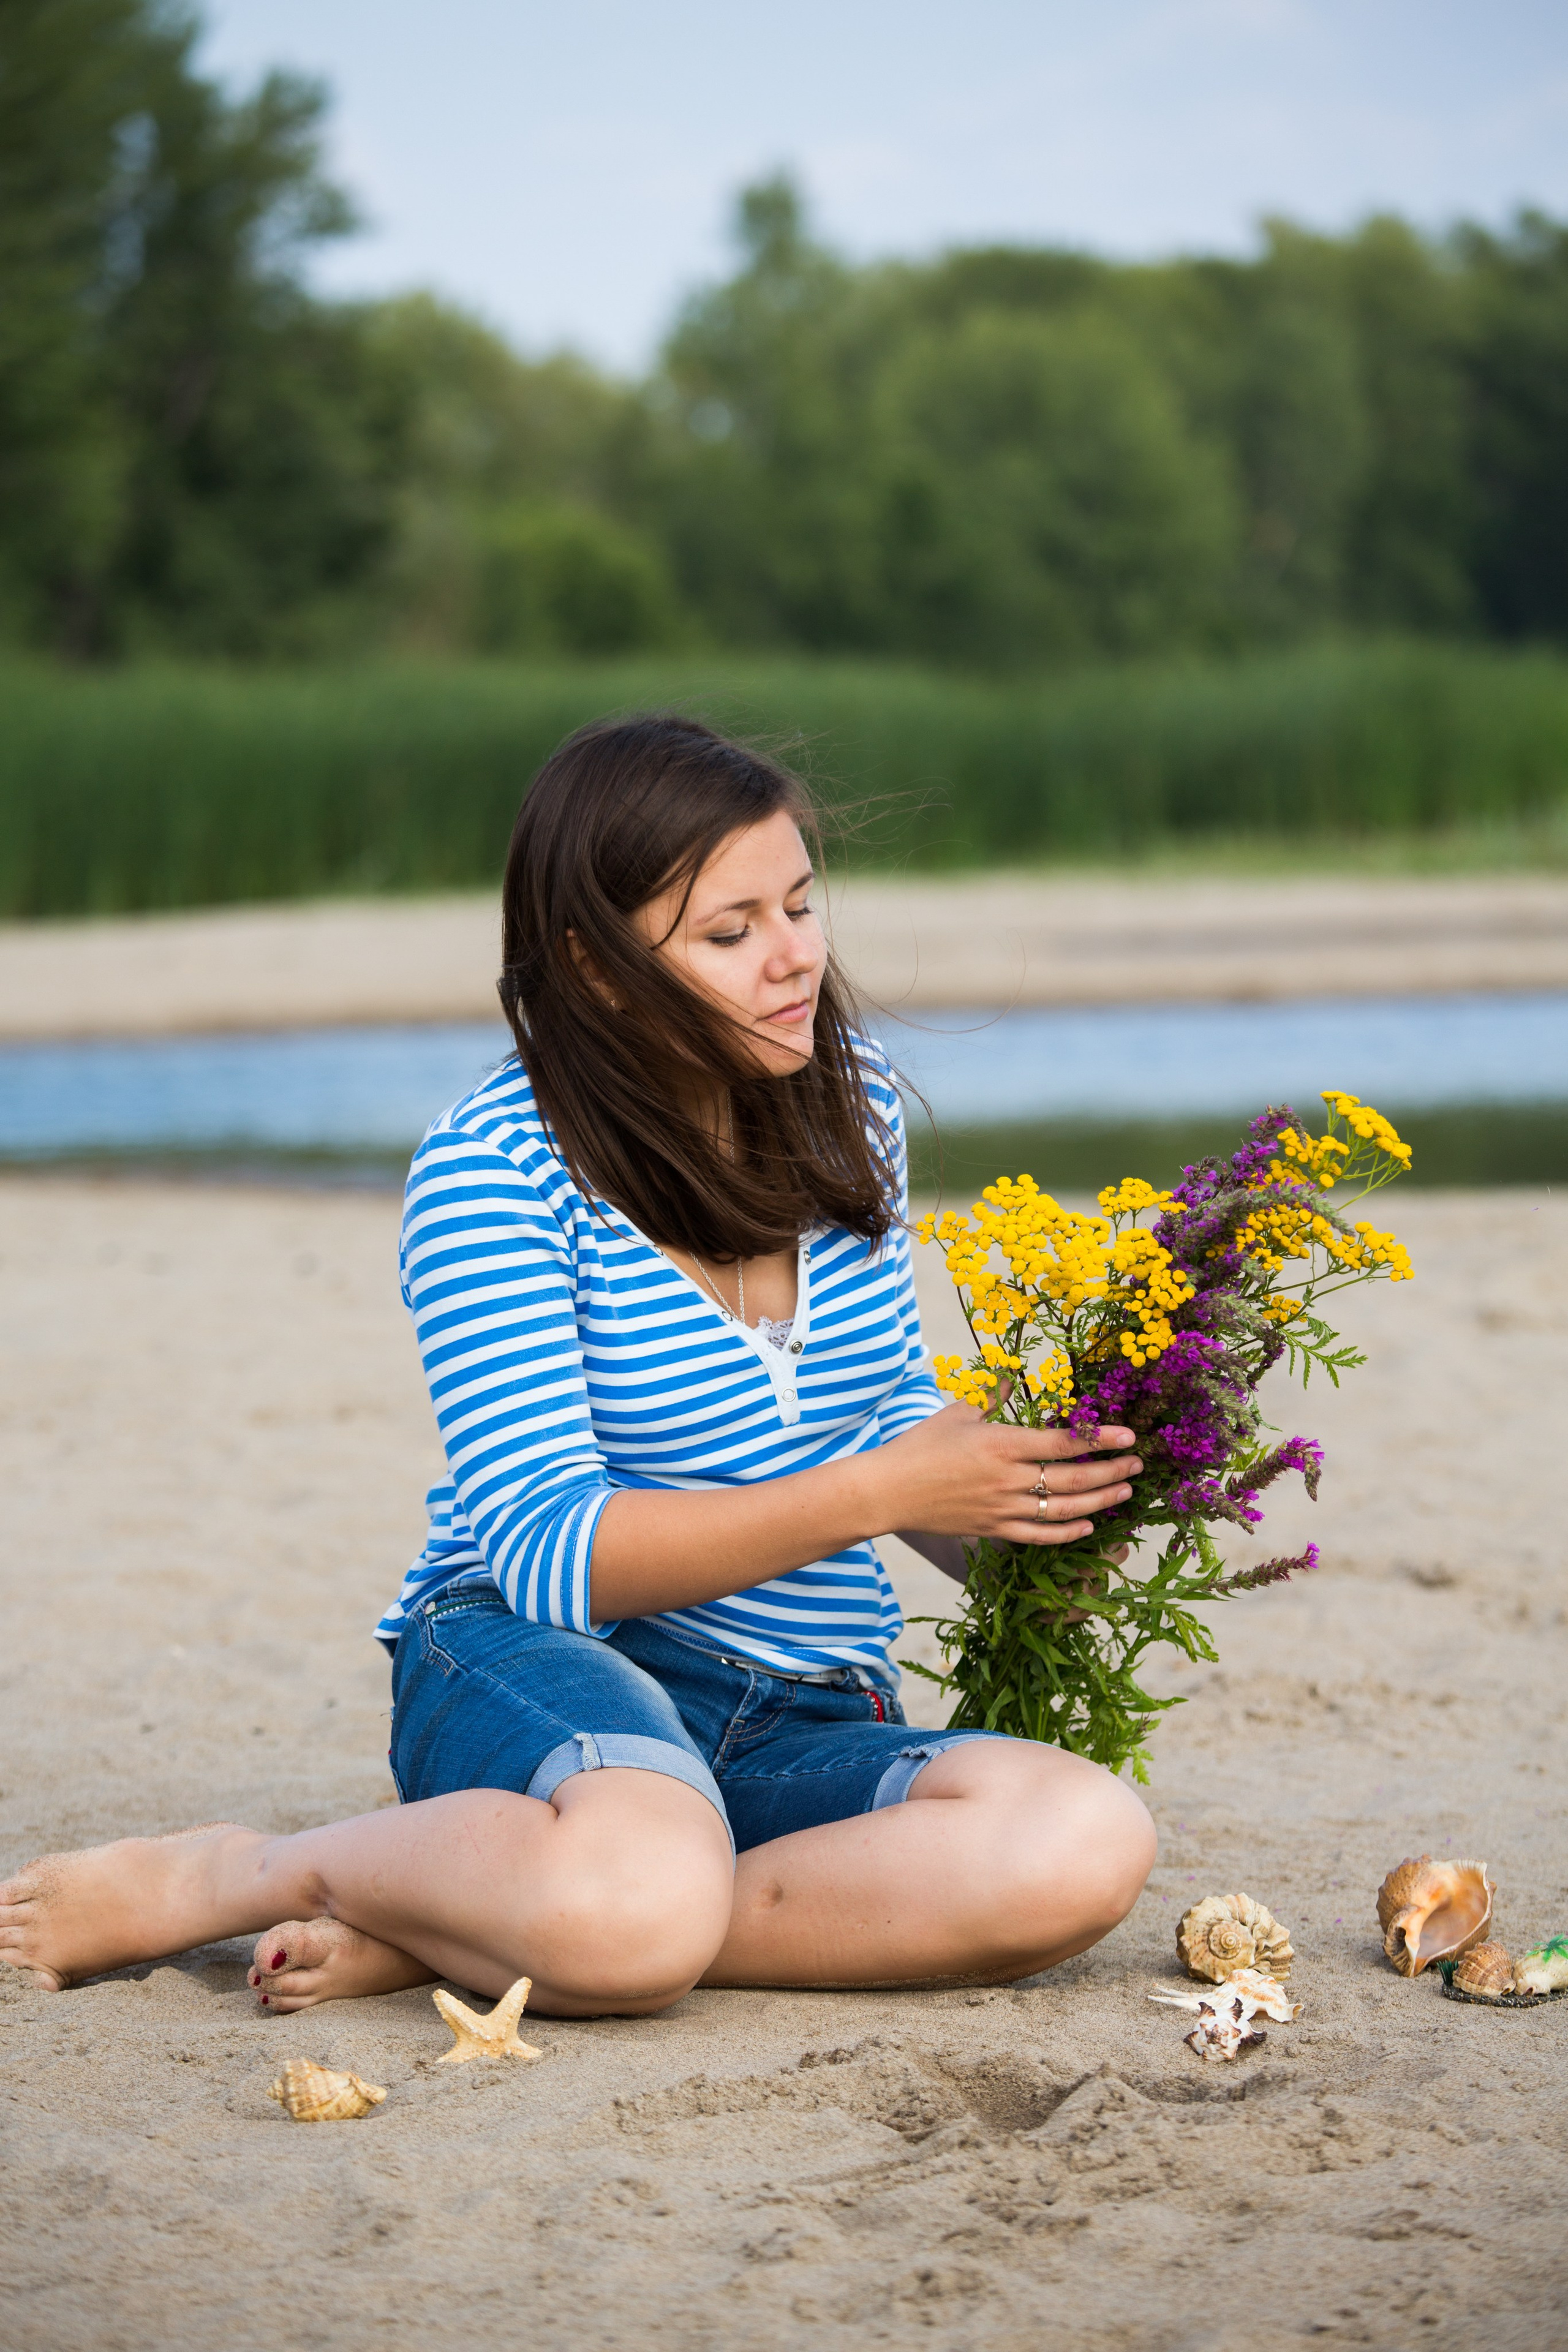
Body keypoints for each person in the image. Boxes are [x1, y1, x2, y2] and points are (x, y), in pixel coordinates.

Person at [0, 716, 1155, 2016]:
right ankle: (249, 1871)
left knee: (1081, 1839)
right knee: (639, 1890)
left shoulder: (850, 1098)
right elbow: (550, 1551)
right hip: (542, 1669)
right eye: (730, 933)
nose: (796, 958)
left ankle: (471, 1922)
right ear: (596, 971)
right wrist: (881, 1496)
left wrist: (1027, 1514)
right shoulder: (494, 1170)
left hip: (802, 1708)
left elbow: (881, 1404)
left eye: (797, 906)